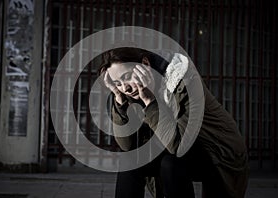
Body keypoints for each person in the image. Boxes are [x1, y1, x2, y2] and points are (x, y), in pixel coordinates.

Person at [98, 47, 249, 198]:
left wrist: (150, 101)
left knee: (170, 163)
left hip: (214, 151)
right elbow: (127, 146)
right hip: (176, 149)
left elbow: (179, 146)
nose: (126, 88)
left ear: (145, 64)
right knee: (130, 159)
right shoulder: (129, 93)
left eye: (128, 76)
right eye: (118, 83)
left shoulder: (183, 80)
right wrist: (119, 99)